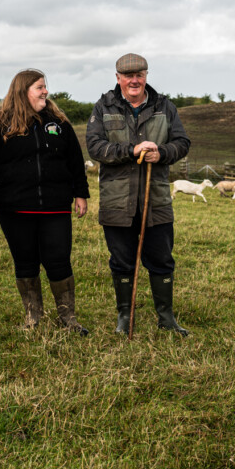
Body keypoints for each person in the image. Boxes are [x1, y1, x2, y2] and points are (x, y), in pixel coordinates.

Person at [0, 69, 91, 335]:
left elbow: (74, 159)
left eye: (45, 86)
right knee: (25, 262)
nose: (45, 91)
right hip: (15, 208)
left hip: (55, 207)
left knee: (59, 260)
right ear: (23, 90)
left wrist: (80, 193)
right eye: (39, 87)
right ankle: (32, 316)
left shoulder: (58, 122)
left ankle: (68, 318)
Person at [86, 53, 191, 336]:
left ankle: (166, 318)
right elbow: (95, 148)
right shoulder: (103, 107)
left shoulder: (164, 107)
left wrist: (162, 152)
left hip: (155, 201)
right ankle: (125, 317)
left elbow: (182, 143)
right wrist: (131, 150)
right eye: (128, 75)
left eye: (140, 74)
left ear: (146, 76)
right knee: (121, 261)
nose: (135, 80)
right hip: (117, 202)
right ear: (118, 77)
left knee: (161, 260)